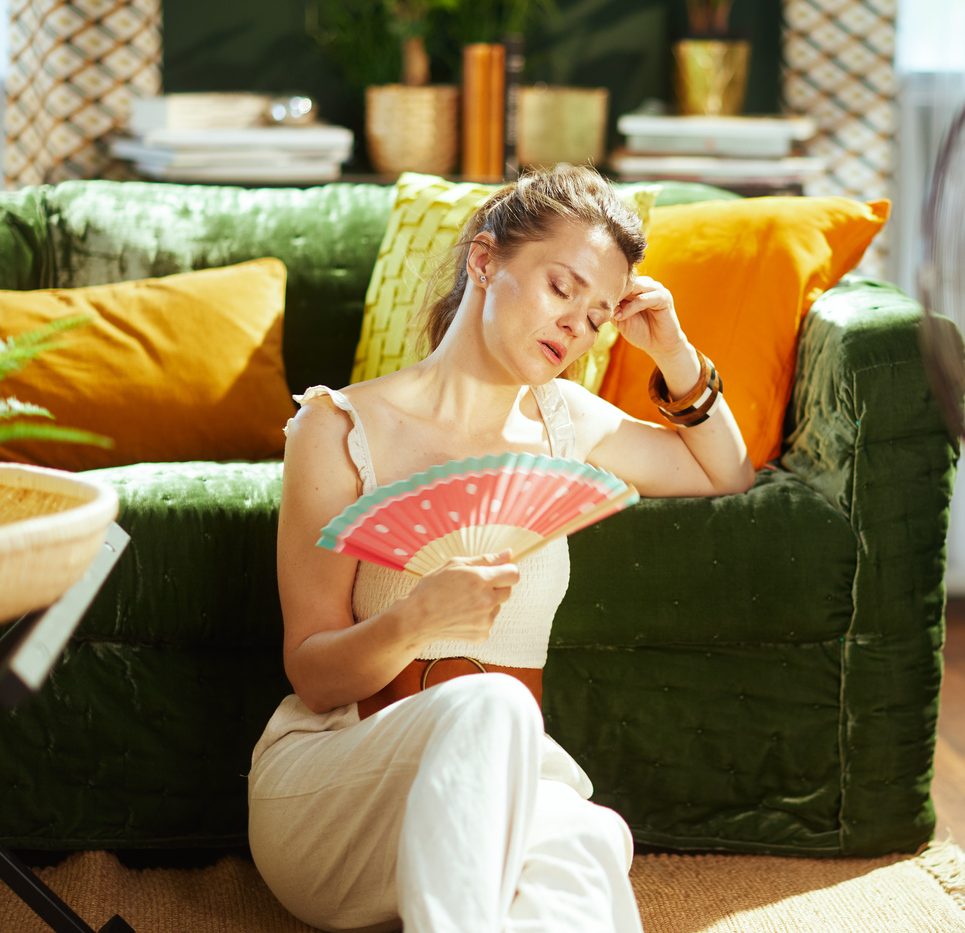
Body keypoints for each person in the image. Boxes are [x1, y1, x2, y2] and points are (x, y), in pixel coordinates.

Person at [247, 165, 755, 933]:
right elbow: (313, 674)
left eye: (596, 316)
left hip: (501, 784)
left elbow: (726, 472)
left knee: (586, 838)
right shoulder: (339, 430)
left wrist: (676, 353)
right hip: (338, 783)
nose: (574, 328)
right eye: (562, 289)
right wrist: (412, 621)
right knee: (496, 703)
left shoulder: (565, 423)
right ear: (485, 262)